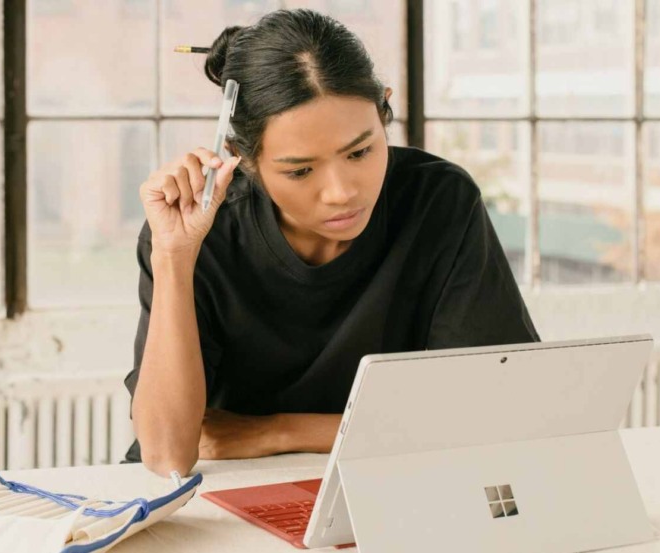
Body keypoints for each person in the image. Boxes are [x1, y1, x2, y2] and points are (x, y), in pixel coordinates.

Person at [124, 9, 539, 477]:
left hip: (372, 478)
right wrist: (174, 255)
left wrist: (276, 432)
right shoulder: (199, 229)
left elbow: (500, 411)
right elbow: (167, 456)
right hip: (225, 488)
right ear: (242, 157)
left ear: (384, 110)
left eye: (360, 151)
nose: (342, 192)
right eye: (300, 170)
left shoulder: (438, 201)